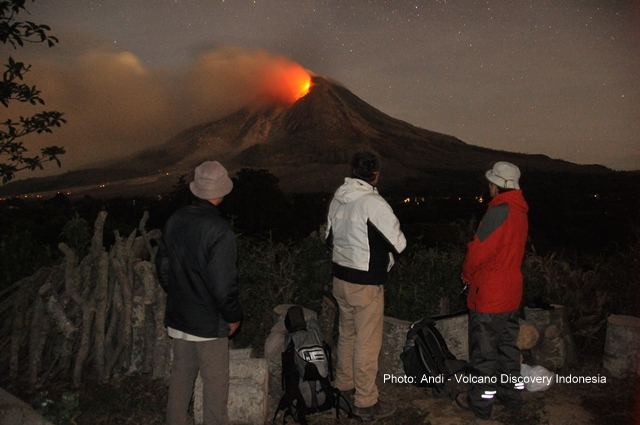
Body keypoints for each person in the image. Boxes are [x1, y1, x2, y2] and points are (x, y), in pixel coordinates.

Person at [156, 160, 243, 425]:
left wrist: (181, 293)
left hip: (180, 316)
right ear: (222, 191)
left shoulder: (176, 219)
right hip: (207, 322)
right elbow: (222, 284)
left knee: (181, 375)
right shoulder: (219, 231)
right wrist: (233, 316)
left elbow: (163, 265)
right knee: (215, 383)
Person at [325, 152, 407, 420]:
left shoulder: (339, 198)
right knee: (367, 342)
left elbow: (328, 237)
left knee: (347, 334)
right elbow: (399, 243)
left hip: (341, 278)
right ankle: (366, 401)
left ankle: (343, 385)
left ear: (353, 170)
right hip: (366, 283)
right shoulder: (373, 203)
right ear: (376, 174)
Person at [456, 161, 529, 420]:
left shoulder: (498, 212)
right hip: (511, 292)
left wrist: (467, 275)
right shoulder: (520, 211)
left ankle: (481, 403)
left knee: (484, 355)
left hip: (490, 295)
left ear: (496, 186)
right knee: (508, 350)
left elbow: (478, 252)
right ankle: (511, 396)